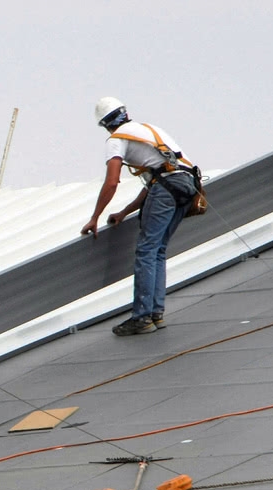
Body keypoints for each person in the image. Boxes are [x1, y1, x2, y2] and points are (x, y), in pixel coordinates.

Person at [81, 97, 199, 336]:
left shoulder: (117, 139)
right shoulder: (149, 130)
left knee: (147, 250)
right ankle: (155, 313)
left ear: (105, 124)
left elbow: (112, 181)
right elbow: (158, 180)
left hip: (168, 187)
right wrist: (125, 212)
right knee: (158, 249)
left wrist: (95, 217)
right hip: (187, 185)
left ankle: (142, 317)